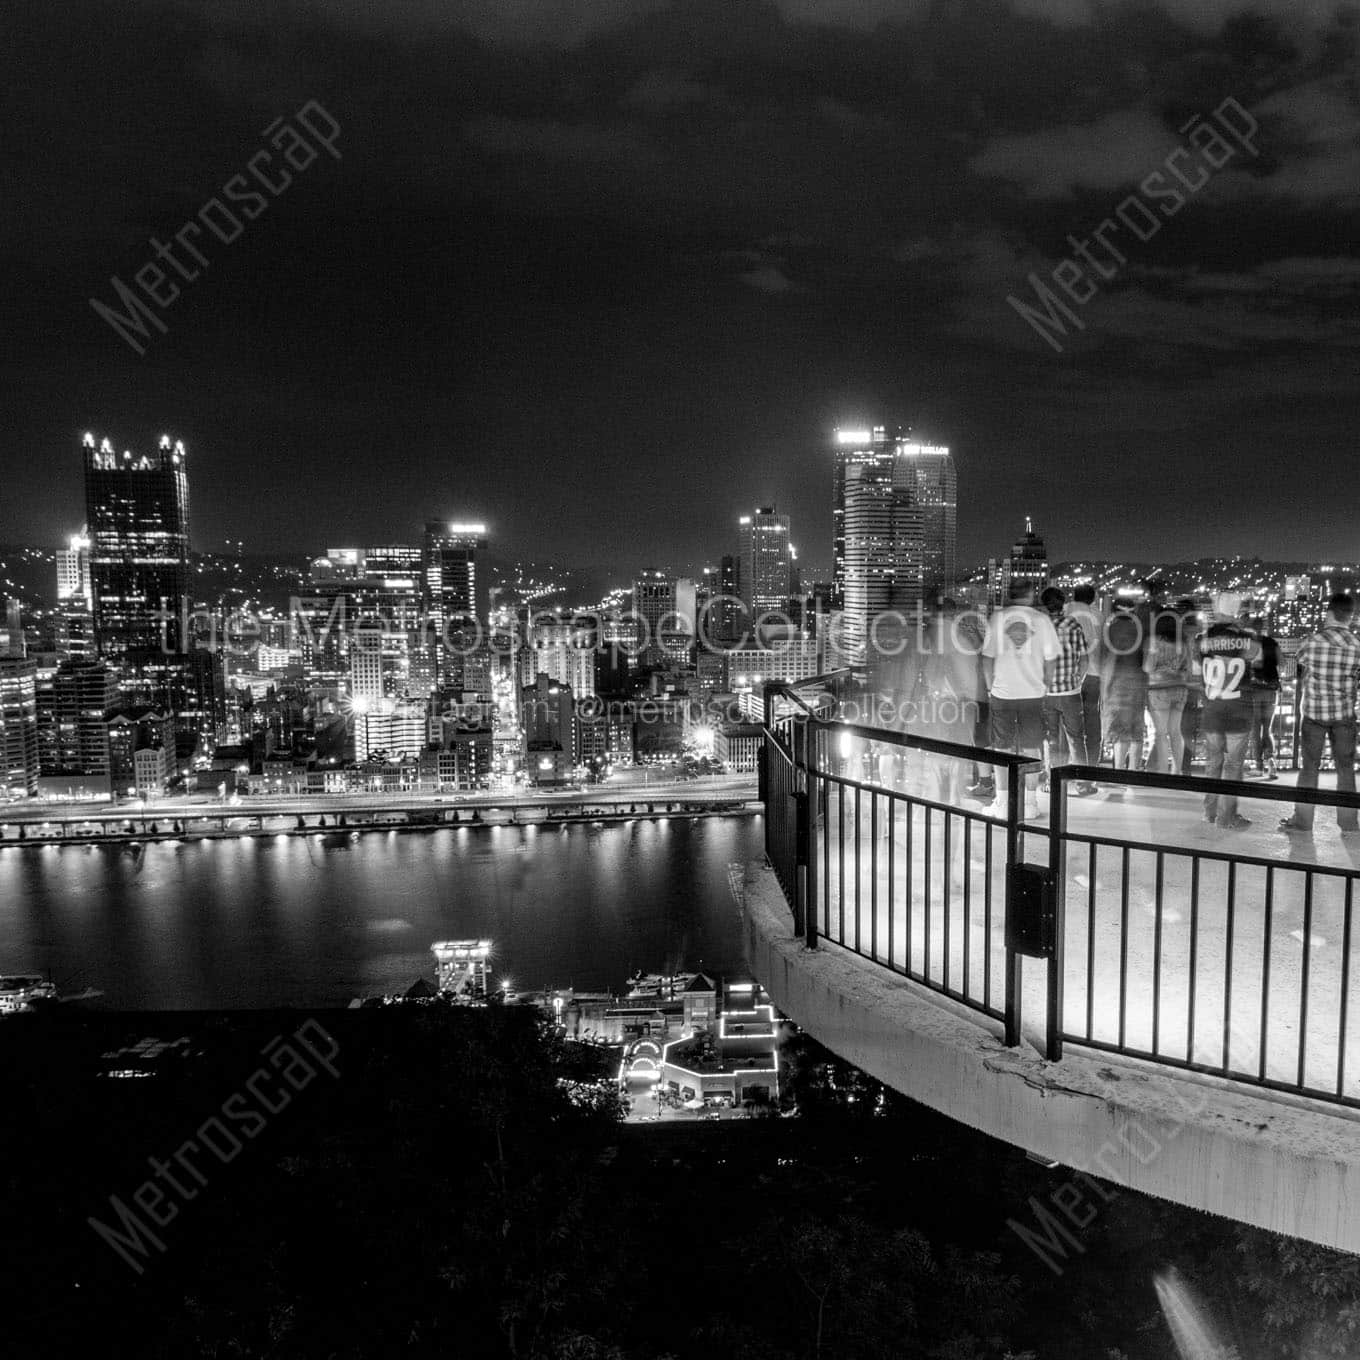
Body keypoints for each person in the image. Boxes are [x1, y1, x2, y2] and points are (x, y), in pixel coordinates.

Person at [1280, 593, 1360, 836]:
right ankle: (1349, 823)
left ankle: (1303, 821)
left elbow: (1300, 663)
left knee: (1309, 767)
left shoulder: (1312, 641)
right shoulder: (1357, 646)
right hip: (1344, 714)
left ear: (1329, 613)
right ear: (1351, 616)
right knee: (1345, 768)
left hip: (1314, 713)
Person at [980, 580, 1059, 819]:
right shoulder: (1042, 620)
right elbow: (1051, 657)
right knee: (1032, 746)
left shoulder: (998, 618)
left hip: (1003, 692)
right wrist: (1046, 682)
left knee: (1001, 746)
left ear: (1008, 595)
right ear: (1030, 595)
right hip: (1033, 693)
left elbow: (987, 658)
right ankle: (1030, 803)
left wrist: (989, 688)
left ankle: (1003, 802)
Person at [1196, 593, 1259, 830]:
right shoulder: (1247, 640)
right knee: (1233, 766)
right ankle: (1227, 817)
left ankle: (1209, 813)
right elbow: (1259, 660)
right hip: (1239, 710)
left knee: (1213, 763)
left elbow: (1197, 668)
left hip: (1212, 708)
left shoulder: (1202, 639)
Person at [1039, 586, 1098, 796]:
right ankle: (1083, 783)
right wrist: (1077, 681)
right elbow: (1084, 659)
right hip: (1070, 692)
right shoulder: (1073, 624)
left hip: (1046, 693)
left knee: (1052, 739)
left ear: (1045, 605)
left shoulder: (1040, 628)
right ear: (1062, 604)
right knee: (1076, 738)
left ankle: (1053, 783)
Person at [1100, 597, 1148, 777]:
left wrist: (1105, 689)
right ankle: (1133, 771)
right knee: (1137, 728)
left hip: (1118, 684)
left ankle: (1119, 772)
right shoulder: (1142, 629)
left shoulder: (1111, 629)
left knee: (1120, 730)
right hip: (1138, 682)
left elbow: (1111, 659)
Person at [1144, 610, 1190, 774]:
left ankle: (1163, 772)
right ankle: (1177, 771)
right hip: (1179, 689)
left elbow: (1148, 667)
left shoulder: (1155, 643)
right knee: (1176, 732)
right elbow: (1188, 669)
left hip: (1159, 689)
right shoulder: (1183, 644)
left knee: (1161, 734)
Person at [1065, 583, 1104, 775]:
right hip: (1095, 673)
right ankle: (1091, 767)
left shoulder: (1065, 611)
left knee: (1068, 723)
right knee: (1092, 719)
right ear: (1092, 598)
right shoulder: (1099, 615)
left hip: (1070, 675)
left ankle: (1066, 769)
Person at [1248, 615, 1281, 780]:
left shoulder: (1249, 643)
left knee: (1255, 730)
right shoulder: (1272, 642)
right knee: (1267, 730)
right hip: (1271, 689)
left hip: (1254, 690)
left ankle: (1258, 767)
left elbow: (1251, 664)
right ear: (1264, 627)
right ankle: (1271, 764)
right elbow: (1281, 662)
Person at [1175, 599, 1203, 774]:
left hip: (1175, 685)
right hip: (1194, 689)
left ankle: (1177, 768)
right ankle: (1185, 769)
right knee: (1188, 730)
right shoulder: (1199, 640)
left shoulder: (1176, 637)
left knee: (1173, 729)